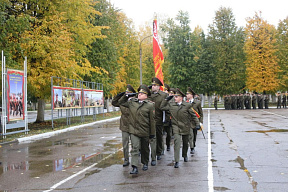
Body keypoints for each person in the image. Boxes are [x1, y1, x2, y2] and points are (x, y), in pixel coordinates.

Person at [119, 85, 156, 174]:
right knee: (135, 148)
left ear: (146, 96)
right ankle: (134, 167)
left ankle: (145, 163)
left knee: (144, 148)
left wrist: (152, 133)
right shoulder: (132, 102)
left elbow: (152, 120)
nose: (139, 94)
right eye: (139, 93)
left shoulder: (150, 105)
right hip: (134, 130)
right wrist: (126, 95)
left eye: (142, 93)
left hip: (144, 130)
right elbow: (120, 102)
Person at [160, 88, 200, 168]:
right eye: (174, 97)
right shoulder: (171, 105)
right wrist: (166, 100)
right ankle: (177, 161)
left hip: (185, 126)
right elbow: (162, 107)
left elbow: (193, 115)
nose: (175, 98)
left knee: (185, 143)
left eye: (176, 97)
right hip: (176, 127)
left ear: (181, 98)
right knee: (177, 143)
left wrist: (197, 124)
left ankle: (184, 155)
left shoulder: (187, 105)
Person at [112, 84, 136, 167]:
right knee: (125, 144)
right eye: (126, 92)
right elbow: (114, 103)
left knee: (134, 144)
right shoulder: (122, 102)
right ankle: (126, 159)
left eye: (128, 92)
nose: (127, 94)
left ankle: (134, 159)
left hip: (133, 125)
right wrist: (118, 95)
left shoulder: (134, 101)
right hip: (124, 125)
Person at [149, 77, 167, 165]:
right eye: (152, 85)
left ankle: (159, 151)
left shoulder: (163, 95)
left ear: (159, 86)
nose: (153, 87)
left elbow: (165, 107)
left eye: (154, 85)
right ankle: (153, 152)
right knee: (152, 137)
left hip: (159, 119)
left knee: (159, 136)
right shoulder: (149, 95)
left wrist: (166, 120)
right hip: (150, 119)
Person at [186, 88, 203, 154]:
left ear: (191, 95)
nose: (186, 95)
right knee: (190, 135)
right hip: (188, 122)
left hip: (195, 122)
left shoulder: (197, 102)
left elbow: (201, 113)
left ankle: (193, 144)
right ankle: (192, 147)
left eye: (188, 94)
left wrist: (200, 122)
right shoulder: (186, 103)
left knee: (194, 135)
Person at [163, 84, 173, 151]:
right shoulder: (160, 98)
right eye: (164, 90)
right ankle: (161, 149)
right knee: (159, 135)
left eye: (166, 90)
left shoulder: (170, 99)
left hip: (168, 119)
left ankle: (168, 145)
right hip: (160, 119)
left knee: (169, 134)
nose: (165, 91)